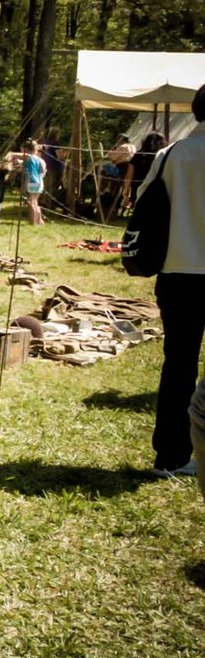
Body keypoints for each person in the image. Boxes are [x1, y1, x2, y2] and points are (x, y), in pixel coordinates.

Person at [135, 83, 205, 477]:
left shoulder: (170, 155)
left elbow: (143, 206)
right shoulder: (171, 154)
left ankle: (172, 455)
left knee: (178, 366)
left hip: (179, 274)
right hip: (181, 272)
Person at [7, 140, 45, 225]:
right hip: (39, 181)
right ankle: (39, 221)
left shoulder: (28, 156)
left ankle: (33, 222)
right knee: (35, 202)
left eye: (22, 149)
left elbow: (12, 154)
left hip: (32, 181)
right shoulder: (37, 159)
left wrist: (9, 156)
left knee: (31, 202)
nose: (21, 152)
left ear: (26, 149)